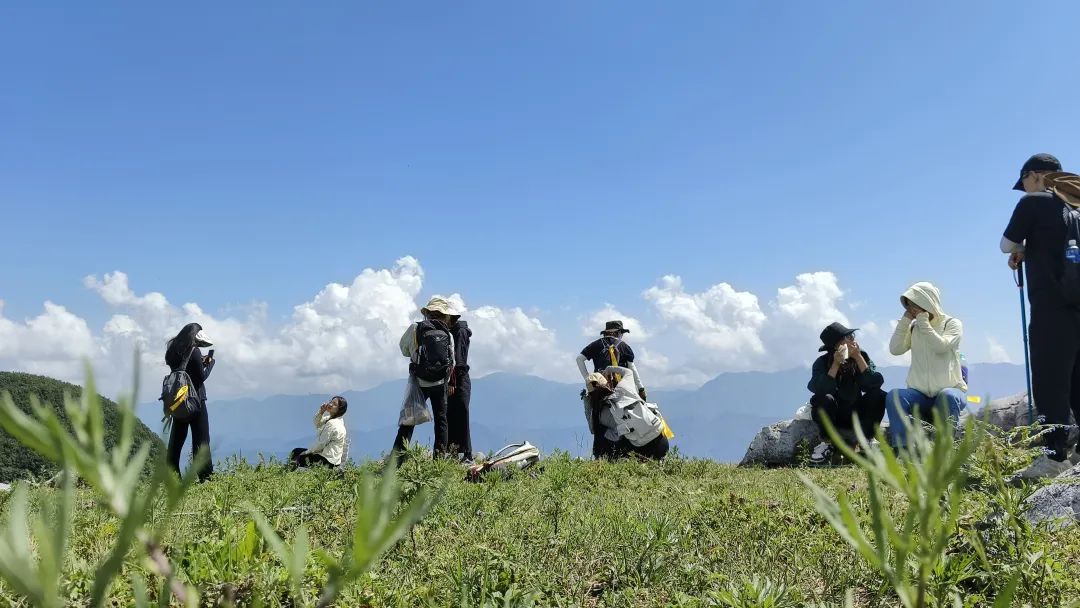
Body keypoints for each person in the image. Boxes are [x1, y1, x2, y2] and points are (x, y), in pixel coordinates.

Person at [1001, 153, 1080, 478]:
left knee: (1050, 382)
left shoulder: (1033, 204)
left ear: (1035, 176)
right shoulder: (1075, 208)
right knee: (1077, 381)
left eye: (1025, 184)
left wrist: (1021, 249)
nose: (1025, 190)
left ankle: (1054, 455)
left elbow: (1006, 244)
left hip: (1051, 310)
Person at [885, 282, 967, 450]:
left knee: (949, 396)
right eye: (909, 306)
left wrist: (924, 323)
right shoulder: (915, 326)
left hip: (949, 391)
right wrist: (905, 322)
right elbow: (895, 349)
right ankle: (903, 448)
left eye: (916, 305)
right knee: (895, 395)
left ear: (928, 302)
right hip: (919, 394)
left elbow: (941, 346)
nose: (913, 310)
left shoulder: (951, 323)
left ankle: (943, 448)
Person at [806, 322, 887, 464]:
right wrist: (835, 365)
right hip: (835, 414)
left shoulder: (862, 356)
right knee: (823, 399)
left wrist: (858, 358)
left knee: (878, 395)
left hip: (856, 411)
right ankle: (827, 443)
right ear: (836, 345)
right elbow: (819, 389)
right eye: (847, 337)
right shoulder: (822, 362)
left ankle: (865, 441)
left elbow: (874, 383)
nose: (852, 340)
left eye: (852, 336)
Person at [392, 297, 456, 458]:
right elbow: (452, 360)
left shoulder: (415, 328)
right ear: (444, 315)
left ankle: (397, 460)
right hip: (440, 382)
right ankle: (439, 459)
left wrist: (416, 356)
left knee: (409, 420)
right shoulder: (448, 333)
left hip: (418, 381)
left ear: (427, 313)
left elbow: (404, 349)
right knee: (441, 421)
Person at [164, 323, 215, 481]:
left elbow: (183, 368)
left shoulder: (172, 350)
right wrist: (210, 364)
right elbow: (200, 377)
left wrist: (199, 361)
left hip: (178, 401)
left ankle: (173, 477)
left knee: (176, 441)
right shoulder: (194, 351)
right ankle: (205, 477)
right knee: (201, 440)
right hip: (195, 400)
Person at [584, 369, 669, 461]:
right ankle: (660, 458)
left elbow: (594, 430)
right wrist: (609, 369)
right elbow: (628, 372)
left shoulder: (601, 413)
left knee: (601, 431)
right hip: (662, 441)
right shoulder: (625, 387)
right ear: (607, 382)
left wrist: (587, 403)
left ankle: (606, 459)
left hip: (643, 450)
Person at [289, 396, 348, 469]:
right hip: (332, 460)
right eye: (331, 402)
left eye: (334, 404)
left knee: (297, 455)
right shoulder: (332, 419)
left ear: (339, 409)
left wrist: (306, 452)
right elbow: (317, 423)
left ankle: (289, 475)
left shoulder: (333, 423)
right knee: (297, 452)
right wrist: (321, 412)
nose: (330, 404)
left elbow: (321, 443)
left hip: (327, 461)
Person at [447, 312, 473, 460]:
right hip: (456, 378)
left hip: (459, 379)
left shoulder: (460, 332)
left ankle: (466, 453)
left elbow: (459, 359)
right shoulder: (453, 331)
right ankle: (454, 451)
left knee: (461, 414)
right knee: (452, 414)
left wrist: (452, 381)